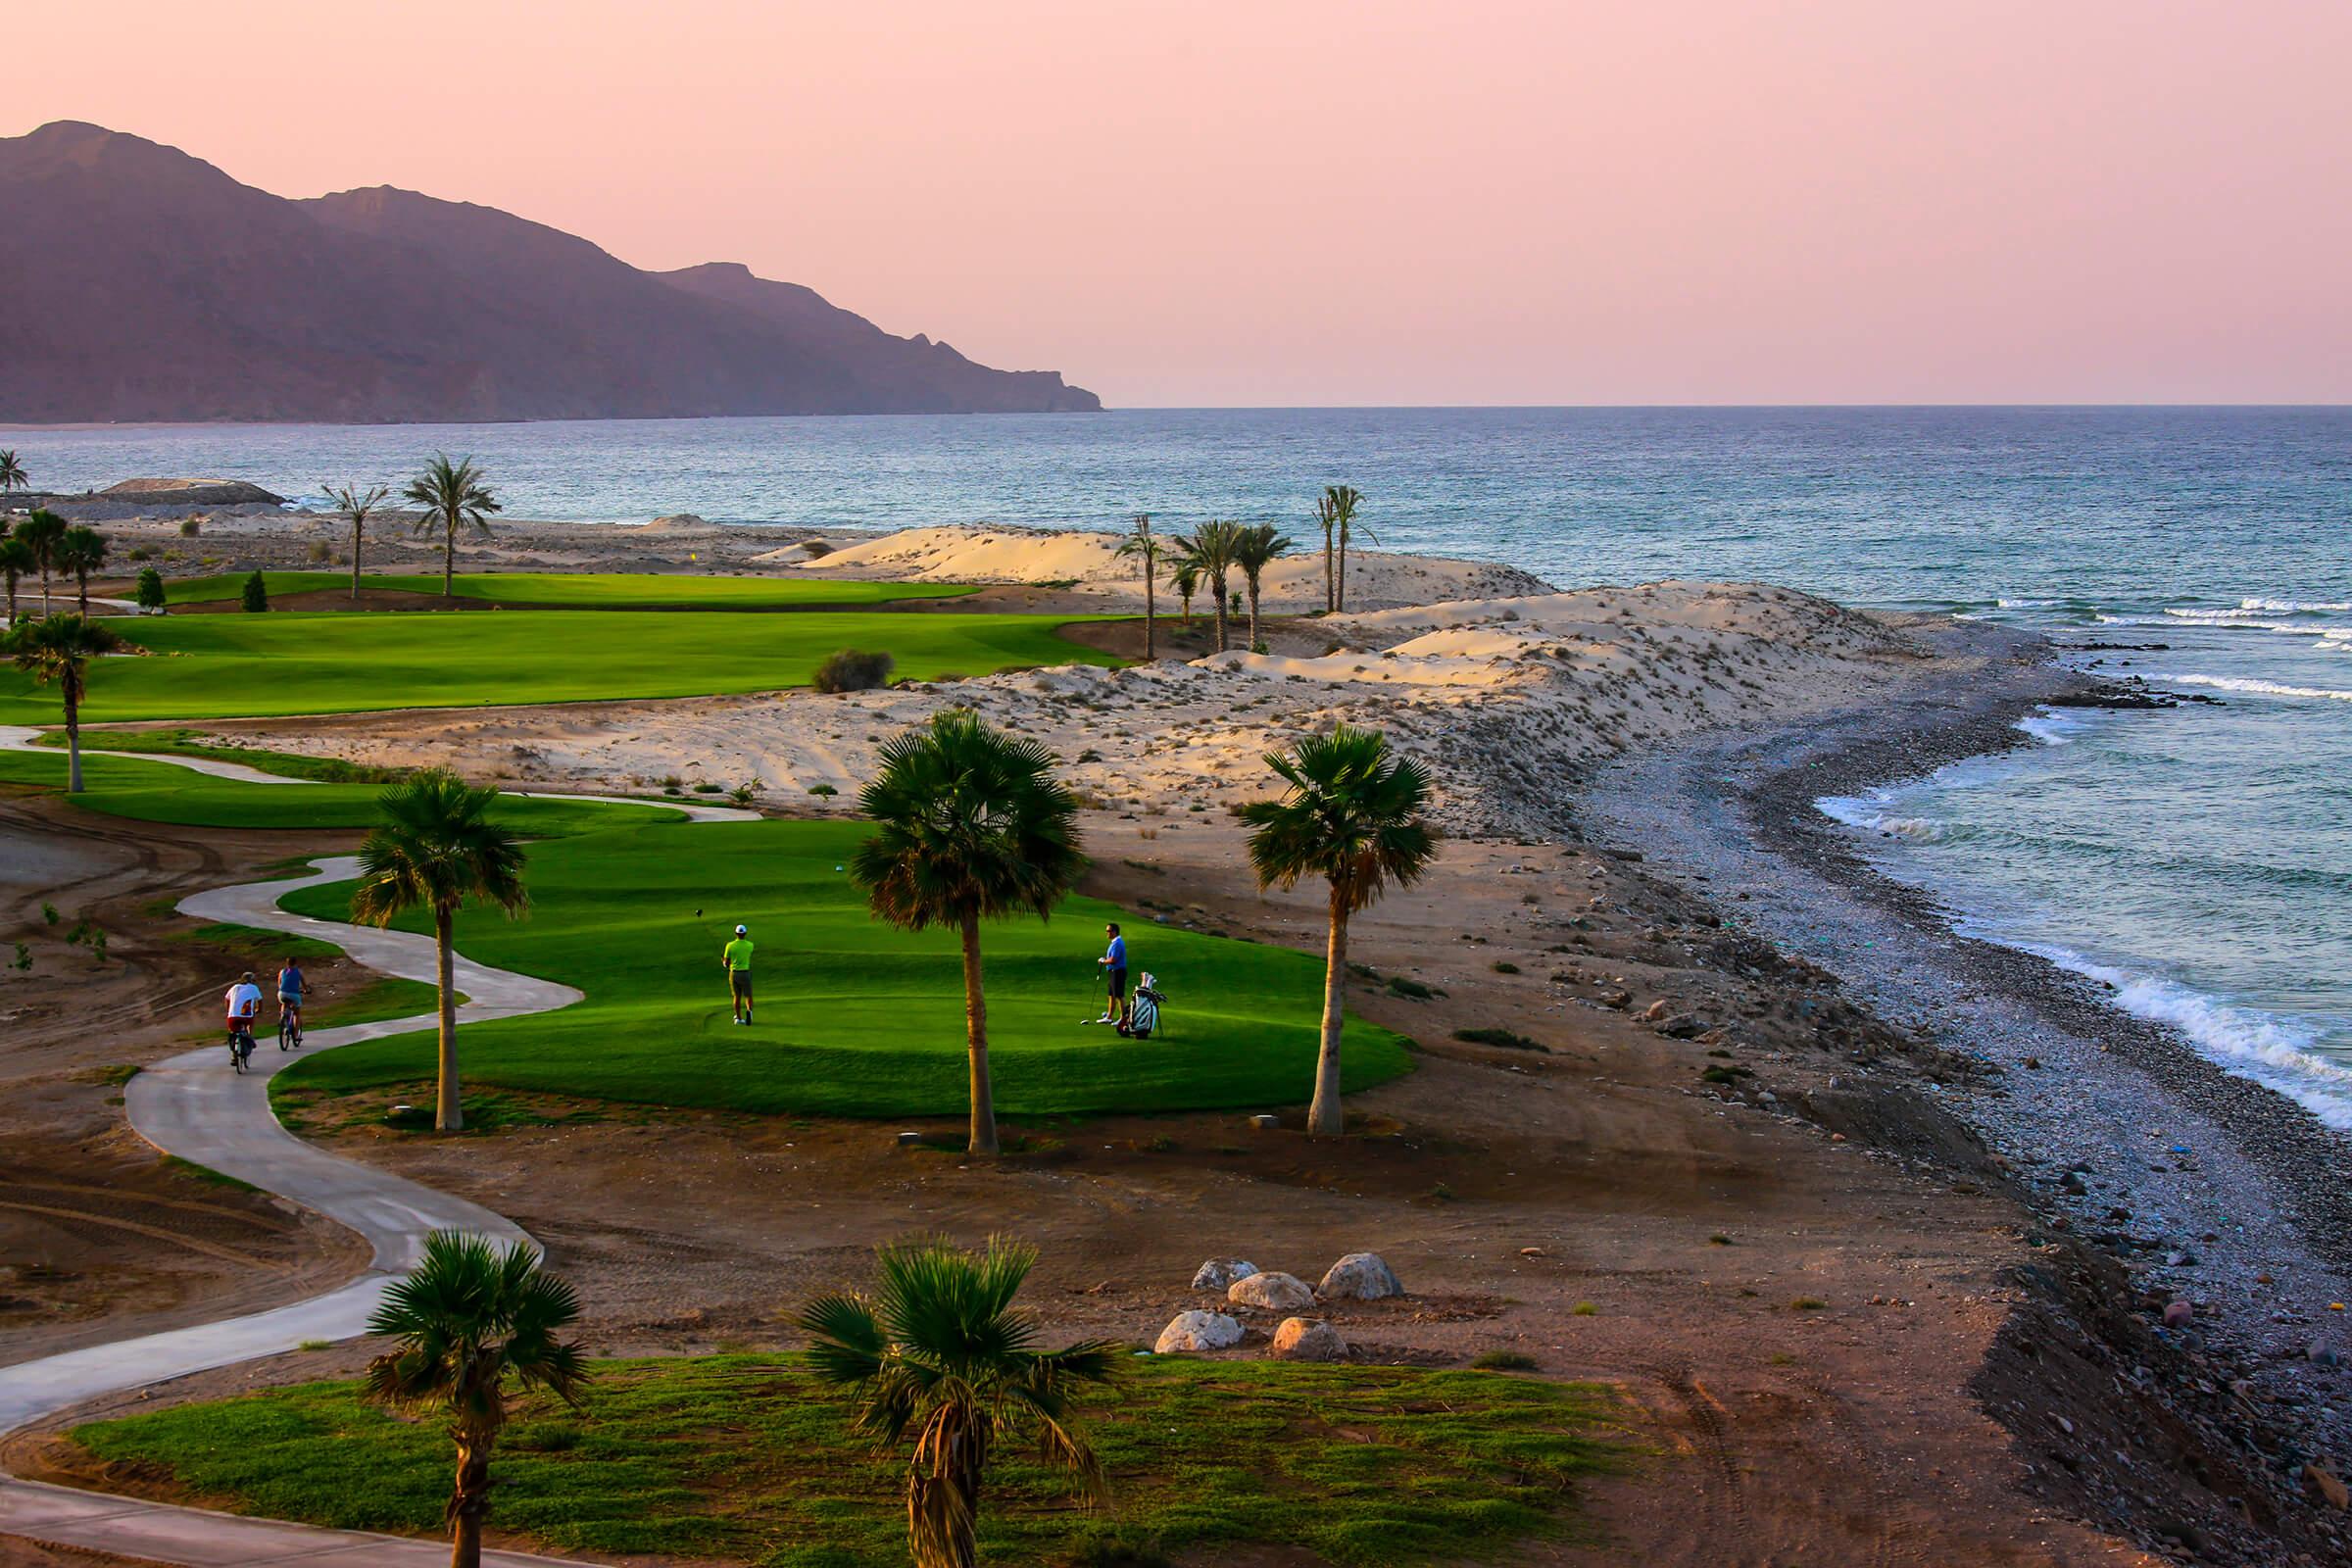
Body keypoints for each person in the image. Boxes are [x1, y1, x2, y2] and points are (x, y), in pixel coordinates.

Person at [224, 969, 264, 1061]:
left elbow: (227, 998)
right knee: (251, 1019)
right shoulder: (254, 988)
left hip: (232, 1016)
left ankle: (234, 1055)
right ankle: (250, 1038)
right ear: (252, 981)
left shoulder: (234, 987)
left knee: (233, 1032)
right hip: (246, 1017)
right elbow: (260, 1000)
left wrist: (229, 1010)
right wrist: (259, 1010)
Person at [1095, 922, 1128, 1026]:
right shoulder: (1114, 943)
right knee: (1111, 995)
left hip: (1118, 971)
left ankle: (1123, 1019)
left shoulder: (1117, 943)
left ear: (1114, 932)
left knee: (1119, 995)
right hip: (1113, 972)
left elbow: (1113, 959)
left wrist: (1103, 961)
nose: (1107, 933)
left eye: (1109, 931)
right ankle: (1109, 1017)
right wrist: (1105, 960)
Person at [723, 922, 755, 1025]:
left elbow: (727, 964)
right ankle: (749, 1011)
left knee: (737, 996)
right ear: (745, 933)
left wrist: (724, 962)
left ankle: (739, 1018)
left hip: (734, 974)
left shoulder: (730, 945)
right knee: (748, 995)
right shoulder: (750, 945)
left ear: (736, 933)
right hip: (745, 973)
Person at [275, 955, 307, 1036]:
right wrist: (306, 990)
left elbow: (279, 983)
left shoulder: (282, 971)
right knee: (297, 1013)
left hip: (282, 993)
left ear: (287, 963)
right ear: (295, 963)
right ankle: (296, 1035)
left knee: (284, 1002)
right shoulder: (298, 971)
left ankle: (282, 1017)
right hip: (294, 994)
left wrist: (282, 989)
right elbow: (303, 983)